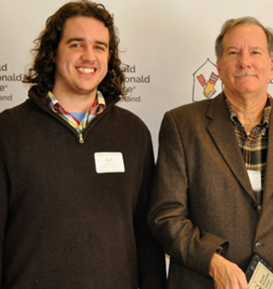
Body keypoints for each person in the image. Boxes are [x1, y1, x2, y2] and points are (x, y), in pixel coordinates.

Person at [148, 16, 273, 289]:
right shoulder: (182, 125)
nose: (244, 61)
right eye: (233, 53)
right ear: (219, 65)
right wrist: (212, 261)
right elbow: (166, 216)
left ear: (271, 66)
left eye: (255, 52)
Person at [0, 1, 166, 288]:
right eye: (77, 44)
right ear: (53, 51)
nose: (89, 56)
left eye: (100, 47)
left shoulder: (134, 132)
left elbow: (146, 237)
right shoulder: (8, 130)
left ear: (109, 57)